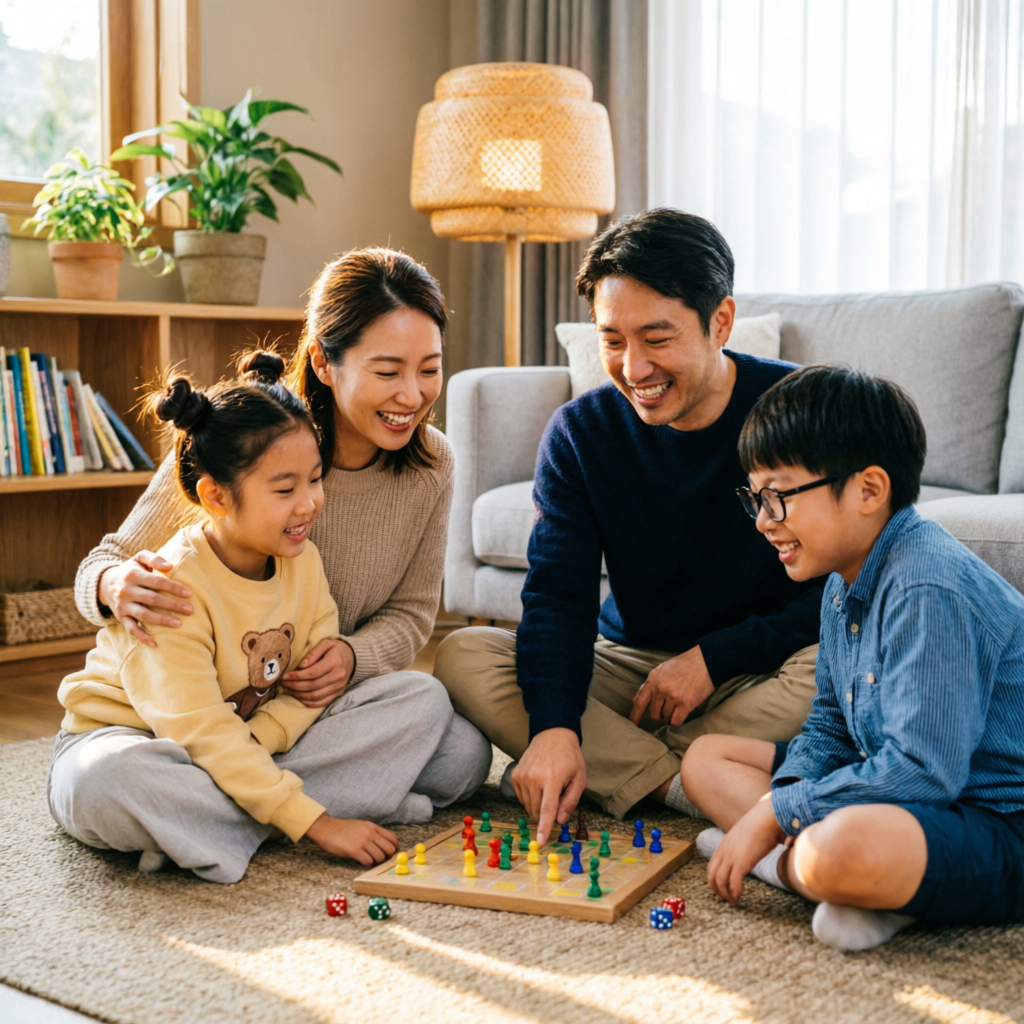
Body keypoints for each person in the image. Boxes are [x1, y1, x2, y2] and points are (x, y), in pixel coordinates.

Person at [435, 209, 822, 844]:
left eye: (657, 338)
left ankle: (617, 767)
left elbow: (842, 590)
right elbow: (557, 595)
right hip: (631, 668)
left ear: (719, 321)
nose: (634, 368)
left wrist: (715, 658)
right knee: (465, 655)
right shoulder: (581, 433)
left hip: (762, 668)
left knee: (842, 668)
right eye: (612, 340)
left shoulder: (797, 412)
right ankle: (683, 781)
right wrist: (558, 727)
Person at [50, 354, 491, 883]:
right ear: (215, 495)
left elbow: (310, 692)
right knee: (105, 786)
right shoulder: (173, 586)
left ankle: (212, 825)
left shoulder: (301, 558)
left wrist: (264, 738)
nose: (309, 504)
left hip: (252, 737)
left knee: (439, 718)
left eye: (315, 480)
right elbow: (202, 732)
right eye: (285, 490)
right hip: (141, 741)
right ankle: (288, 815)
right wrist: (319, 823)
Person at [74, 246, 489, 748]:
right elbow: (106, 560)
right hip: (193, 709)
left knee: (459, 749)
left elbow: (412, 613)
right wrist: (111, 583)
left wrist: (352, 657)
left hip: (302, 709)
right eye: (387, 372)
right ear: (322, 361)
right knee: (104, 778)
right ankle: (268, 797)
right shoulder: (242, 435)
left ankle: (234, 798)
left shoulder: (432, 463)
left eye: (429, 370)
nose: (412, 395)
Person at [683, 364, 1024, 951]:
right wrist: (784, 797)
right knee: (706, 759)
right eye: (756, 498)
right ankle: (862, 886)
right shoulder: (843, 582)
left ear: (869, 490)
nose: (764, 521)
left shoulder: (926, 585)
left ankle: (815, 870)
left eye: (779, 496)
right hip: (903, 793)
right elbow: (830, 723)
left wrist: (770, 816)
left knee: (835, 849)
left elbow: (924, 771)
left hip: (995, 816)